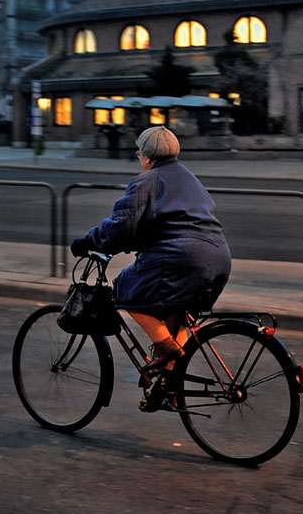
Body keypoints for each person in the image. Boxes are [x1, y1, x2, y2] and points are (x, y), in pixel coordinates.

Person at [70, 126, 232, 403]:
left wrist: (88, 242)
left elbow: (121, 227)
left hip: (182, 259)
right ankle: (167, 385)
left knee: (124, 289)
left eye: (139, 154)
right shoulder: (191, 179)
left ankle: (165, 348)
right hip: (218, 259)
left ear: (146, 156)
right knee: (179, 315)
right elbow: (173, 220)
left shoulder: (148, 180)